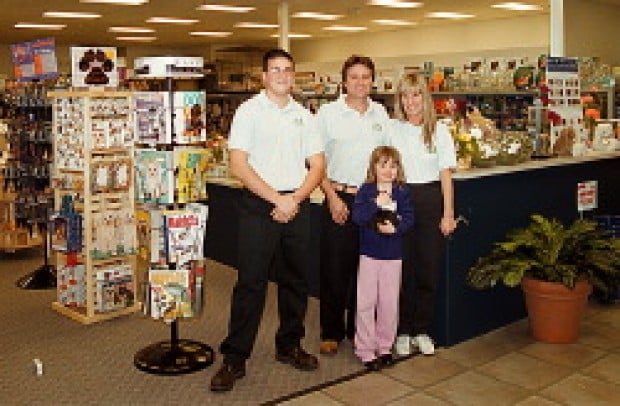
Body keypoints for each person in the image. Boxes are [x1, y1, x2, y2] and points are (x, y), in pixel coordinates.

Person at [210, 48, 325, 392]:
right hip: (260, 206)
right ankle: (235, 358)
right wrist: (279, 200)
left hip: (297, 203)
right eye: (275, 70)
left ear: (293, 75)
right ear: (263, 76)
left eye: (287, 70)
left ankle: (289, 345)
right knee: (251, 283)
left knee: (296, 282)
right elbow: (238, 165)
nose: (282, 75)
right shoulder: (248, 112)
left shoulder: (305, 116)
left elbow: (317, 165)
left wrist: (294, 200)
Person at [317, 55, 390, 355]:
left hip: (371, 199)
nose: (360, 82)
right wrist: (332, 198)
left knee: (367, 269)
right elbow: (315, 161)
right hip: (339, 196)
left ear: (372, 80)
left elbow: (388, 158)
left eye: (365, 76)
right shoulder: (327, 113)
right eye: (354, 76)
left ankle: (358, 328)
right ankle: (331, 331)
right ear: (344, 81)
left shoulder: (380, 113)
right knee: (336, 268)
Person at [389, 73, 458, 356]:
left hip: (431, 200)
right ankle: (402, 331)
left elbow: (445, 176)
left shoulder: (439, 131)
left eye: (416, 95)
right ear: (400, 100)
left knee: (428, 270)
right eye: (405, 96)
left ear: (425, 98)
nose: (411, 102)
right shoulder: (392, 129)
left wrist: (448, 213)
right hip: (401, 200)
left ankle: (421, 329)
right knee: (403, 271)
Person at [351, 146, 413, 370]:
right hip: (369, 254)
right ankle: (365, 348)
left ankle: (385, 346)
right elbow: (358, 217)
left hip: (393, 256)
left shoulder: (402, 192)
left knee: (389, 302)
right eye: (383, 165)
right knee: (366, 302)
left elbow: (409, 218)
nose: (388, 170)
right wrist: (376, 203)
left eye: (393, 166)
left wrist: (396, 230)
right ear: (374, 167)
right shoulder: (366, 191)